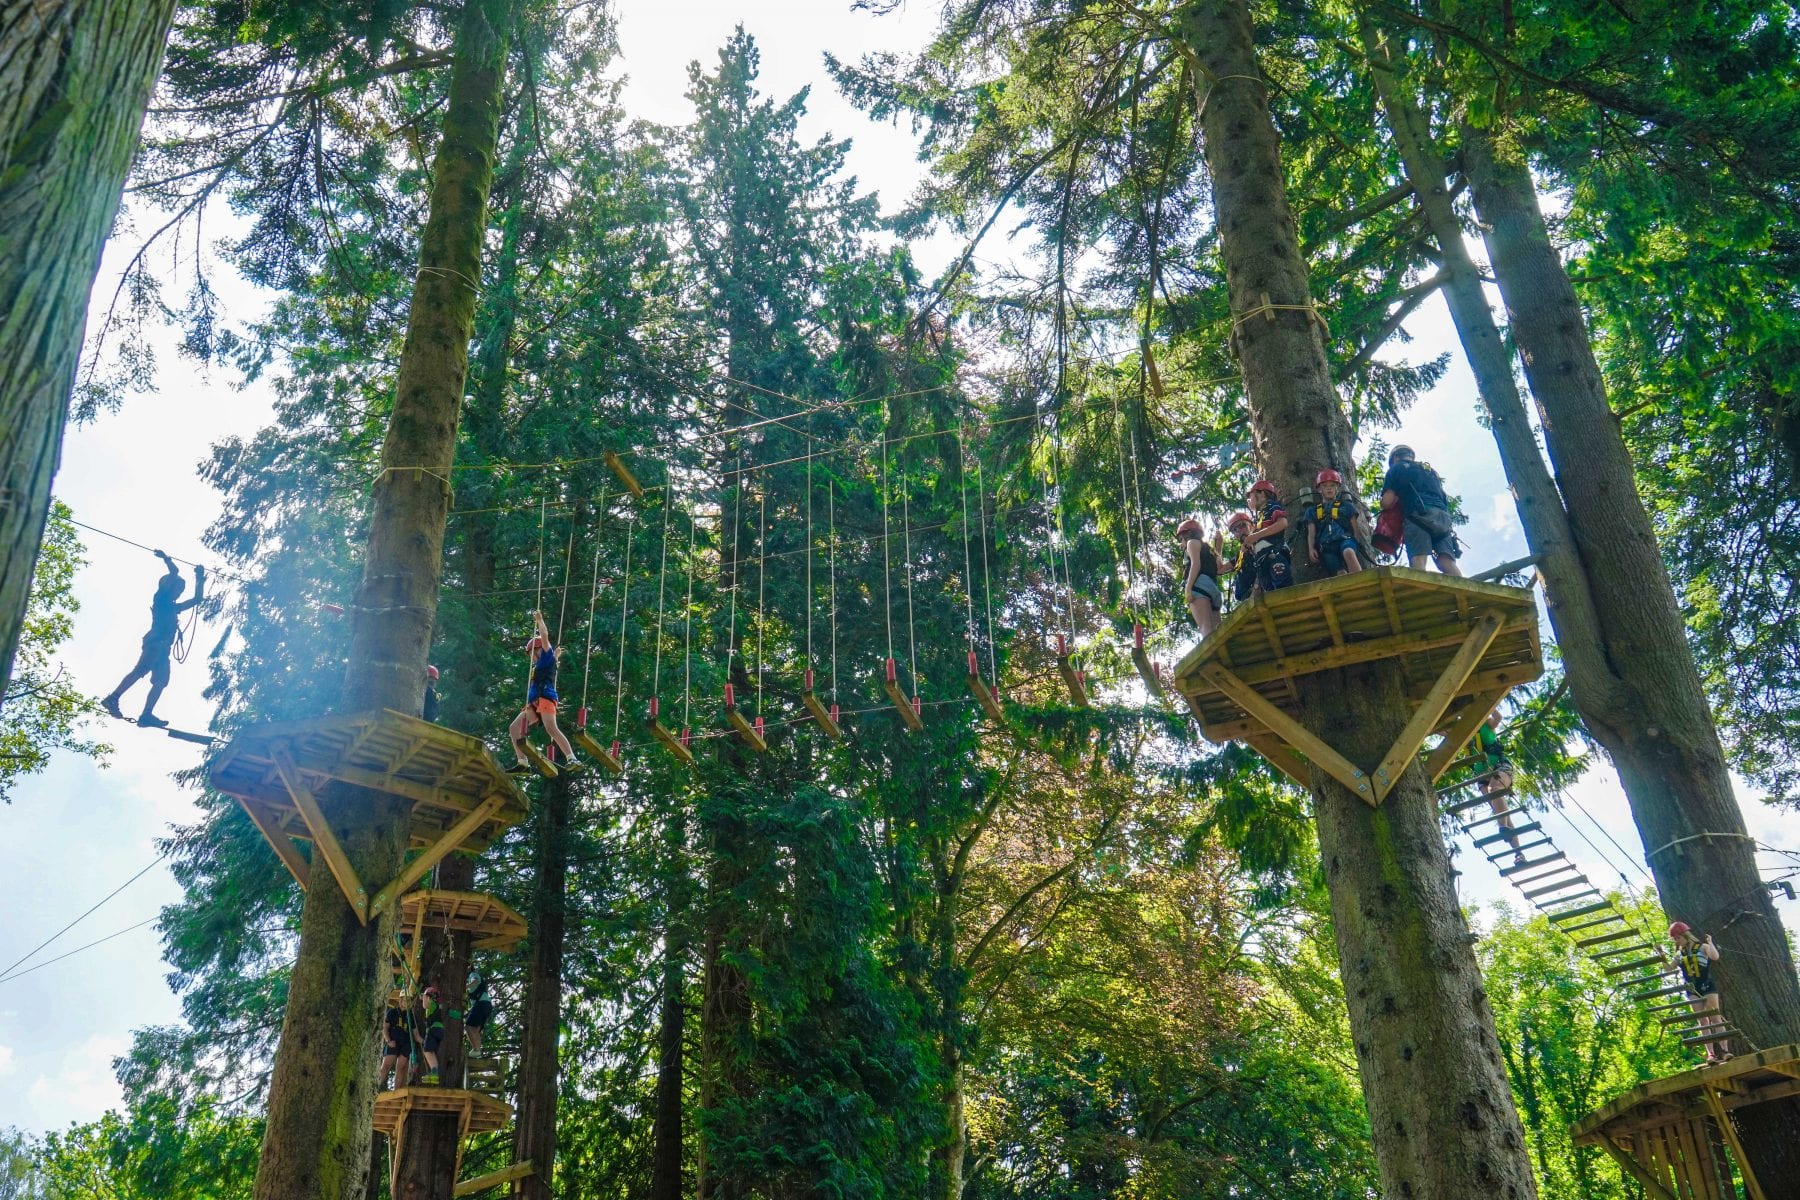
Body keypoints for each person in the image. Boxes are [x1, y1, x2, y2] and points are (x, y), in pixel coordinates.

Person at [102, 551, 205, 728]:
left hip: (163, 650)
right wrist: (167, 560)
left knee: (161, 681)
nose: (179, 592)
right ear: (168, 586)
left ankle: (146, 714)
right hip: (155, 643)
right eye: (178, 589)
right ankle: (113, 698)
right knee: (140, 670)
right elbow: (174, 573)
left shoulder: (174, 607)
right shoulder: (161, 599)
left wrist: (199, 579)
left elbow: (197, 599)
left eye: (181, 590)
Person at [508, 610, 578, 774]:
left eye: (533, 652)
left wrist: (540, 620)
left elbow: (545, 636)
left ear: (540, 649)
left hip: (545, 699)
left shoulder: (546, 656)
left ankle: (571, 757)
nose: (532, 657)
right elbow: (551, 666)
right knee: (514, 728)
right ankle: (522, 762)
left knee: (551, 728)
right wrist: (556, 656)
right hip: (534, 704)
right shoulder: (544, 662)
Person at [1381, 445, 1462, 575]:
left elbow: (1387, 502)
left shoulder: (1396, 469)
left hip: (1418, 516)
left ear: (1395, 458)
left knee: (1418, 558)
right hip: (1443, 518)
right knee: (1447, 562)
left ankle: (1420, 593)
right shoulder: (1429, 470)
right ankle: (1463, 593)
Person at [1669, 922, 1730, 1062]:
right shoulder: (1679, 955)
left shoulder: (1703, 947)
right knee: (1702, 1020)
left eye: (1679, 937)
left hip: (1707, 985)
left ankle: (1725, 1051)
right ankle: (1711, 1054)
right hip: (1692, 989)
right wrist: (1661, 955)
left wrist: (1710, 943)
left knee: (1715, 1017)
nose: (1677, 941)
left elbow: (1715, 957)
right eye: (1675, 939)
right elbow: (1669, 968)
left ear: (1686, 935)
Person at [1224, 481, 1293, 599]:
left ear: (1262, 494)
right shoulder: (1260, 517)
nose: (1248, 500)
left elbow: (1282, 523)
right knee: (1270, 591)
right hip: (1262, 561)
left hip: (1274, 555)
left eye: (1250, 496)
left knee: (1282, 586)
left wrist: (1255, 536)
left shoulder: (1272, 507)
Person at [1474, 712, 1524, 865]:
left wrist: (1488, 703)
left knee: (1495, 790)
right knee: (1502, 813)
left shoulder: (1485, 722)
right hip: (1481, 773)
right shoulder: (1460, 730)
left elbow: (1498, 718)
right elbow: (1441, 731)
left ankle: (1503, 828)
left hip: (1499, 766)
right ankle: (1518, 853)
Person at [1304, 469, 1367, 576]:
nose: (1329, 488)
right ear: (1319, 489)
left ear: (1337, 488)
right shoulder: (1312, 511)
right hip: (1327, 546)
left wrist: (1356, 541)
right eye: (1325, 486)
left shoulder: (1346, 506)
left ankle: (1362, 582)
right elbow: (1311, 533)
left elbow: (1355, 527)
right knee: (1340, 572)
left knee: (1348, 552)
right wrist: (1311, 549)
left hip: (1345, 540)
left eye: (1332, 485)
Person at [1177, 519, 1225, 637]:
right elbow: (1218, 568)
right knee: (1218, 631)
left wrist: (1188, 589)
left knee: (1205, 628)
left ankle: (1212, 655)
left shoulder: (1191, 542)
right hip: (1212, 588)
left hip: (1199, 588)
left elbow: (1195, 564)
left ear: (1186, 534)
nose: (1180, 544)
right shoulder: (1208, 549)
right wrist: (1219, 544)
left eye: (1180, 540)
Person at [380, 1001, 414, 1089]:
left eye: (409, 1000)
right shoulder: (392, 1012)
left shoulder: (410, 1015)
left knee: (401, 1068)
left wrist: (423, 1041)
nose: (408, 1002)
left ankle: (397, 1091)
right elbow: (385, 1027)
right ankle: (375, 1088)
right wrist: (388, 1040)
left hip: (405, 1043)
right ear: (401, 1001)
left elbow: (415, 1032)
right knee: (386, 1065)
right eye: (406, 1000)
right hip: (393, 1042)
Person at [419, 986, 447, 1084]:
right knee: (431, 1052)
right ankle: (434, 1074)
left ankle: (434, 1072)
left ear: (429, 997)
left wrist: (424, 997)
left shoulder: (432, 1003)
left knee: (426, 1051)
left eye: (426, 997)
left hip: (433, 1029)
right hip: (439, 1030)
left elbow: (424, 1006)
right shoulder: (437, 1004)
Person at [465, 970, 493, 1053]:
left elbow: (475, 981)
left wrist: (465, 986)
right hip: (486, 1005)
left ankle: (476, 1050)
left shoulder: (472, 974)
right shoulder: (470, 980)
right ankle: (478, 1051)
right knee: (475, 1030)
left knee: (468, 1027)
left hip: (481, 1003)